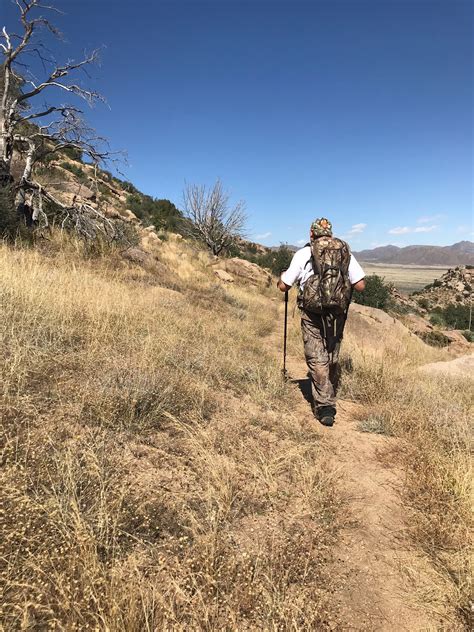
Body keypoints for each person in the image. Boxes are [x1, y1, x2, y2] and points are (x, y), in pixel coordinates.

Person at [277, 217, 365, 427]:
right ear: (331, 234)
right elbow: (360, 285)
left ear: (311, 234)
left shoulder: (303, 253)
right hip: (337, 313)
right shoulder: (344, 252)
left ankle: (325, 406)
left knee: (316, 355)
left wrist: (282, 277)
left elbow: (284, 287)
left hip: (312, 312)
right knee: (331, 354)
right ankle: (329, 390)